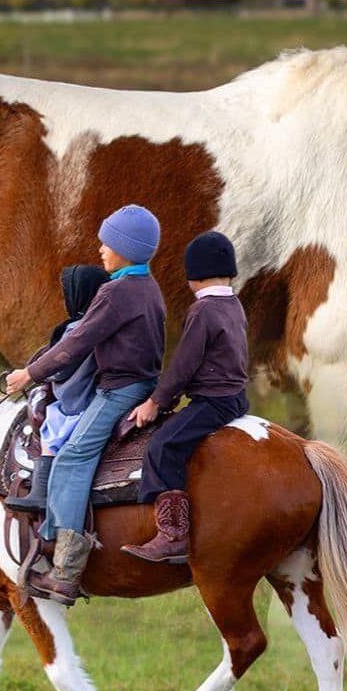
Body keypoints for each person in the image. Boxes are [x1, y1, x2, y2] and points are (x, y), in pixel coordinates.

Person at [3, 205, 166, 605]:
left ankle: (66, 570)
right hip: (143, 382)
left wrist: (30, 375)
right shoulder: (149, 287)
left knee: (74, 455)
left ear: (126, 249)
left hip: (119, 390)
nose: (101, 249)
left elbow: (77, 344)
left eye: (108, 242)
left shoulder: (115, 292)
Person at [121, 231, 248, 564]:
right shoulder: (232, 304)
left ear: (195, 275)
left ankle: (173, 535)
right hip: (236, 396)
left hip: (214, 401)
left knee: (163, 446)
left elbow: (184, 365)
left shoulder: (203, 311)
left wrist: (155, 403)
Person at [4, 264, 110, 513]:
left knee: (49, 425)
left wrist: (40, 370)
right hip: (94, 394)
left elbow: (61, 368)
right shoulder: (100, 324)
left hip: (76, 399)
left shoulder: (76, 329)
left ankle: (40, 491)